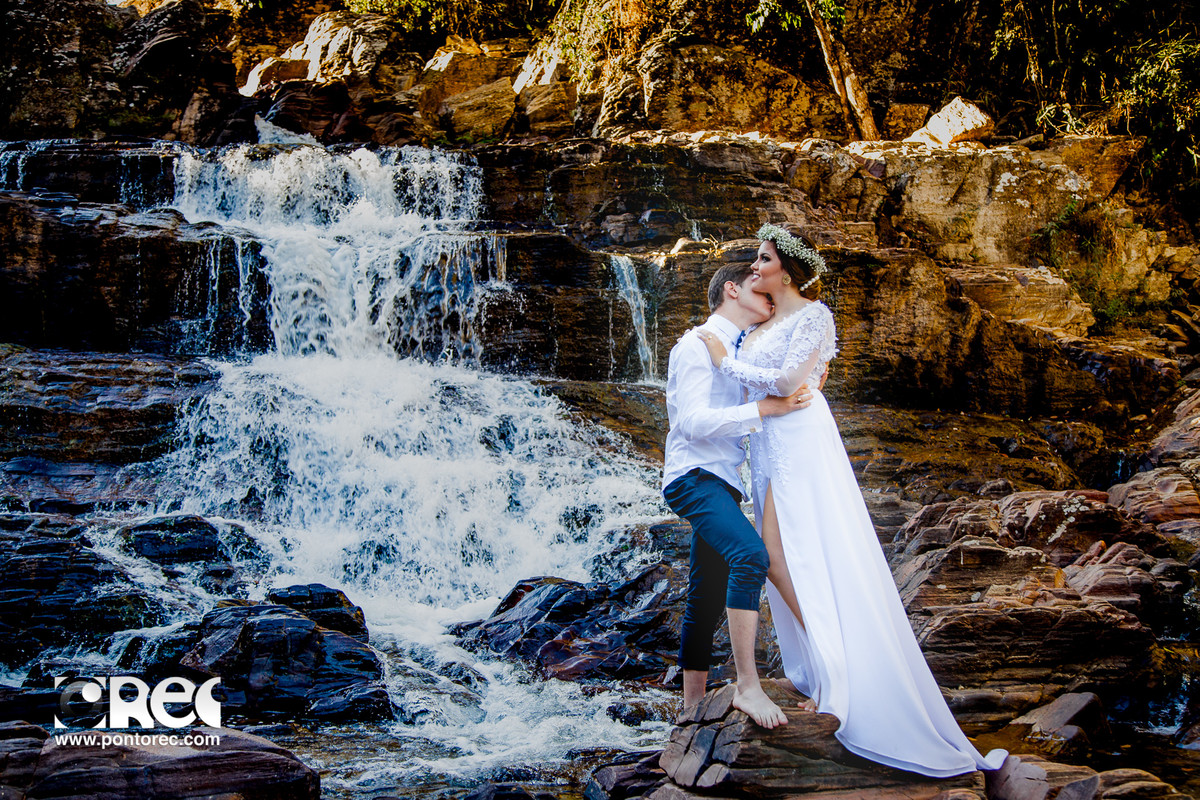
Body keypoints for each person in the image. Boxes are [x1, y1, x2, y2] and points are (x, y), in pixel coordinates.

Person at [695, 224, 1008, 777]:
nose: (755, 267)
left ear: (785, 270)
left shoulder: (815, 314)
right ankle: (826, 664)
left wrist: (725, 360)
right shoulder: (766, 317)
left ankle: (838, 666)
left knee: (775, 553)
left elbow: (790, 378)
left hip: (799, 436)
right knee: (780, 557)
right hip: (770, 443)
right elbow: (775, 380)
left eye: (763, 259)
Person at [662, 261, 815, 729]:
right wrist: (765, 409)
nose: (768, 293)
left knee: (705, 595)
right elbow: (690, 422)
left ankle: (689, 714)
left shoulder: (742, 349)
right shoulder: (694, 345)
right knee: (752, 556)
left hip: (723, 482)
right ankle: (748, 685)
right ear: (731, 290)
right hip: (693, 477)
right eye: (756, 285)